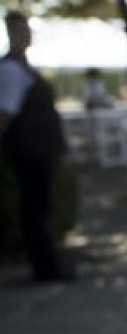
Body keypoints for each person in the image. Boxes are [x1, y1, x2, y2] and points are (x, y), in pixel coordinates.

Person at [0, 11, 73, 282]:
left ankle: (47, 263)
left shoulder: (23, 67)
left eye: (27, 30)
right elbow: (5, 113)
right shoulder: (11, 70)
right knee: (34, 209)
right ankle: (45, 267)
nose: (26, 35)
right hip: (29, 150)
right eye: (21, 30)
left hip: (39, 149)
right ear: (11, 33)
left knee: (39, 208)